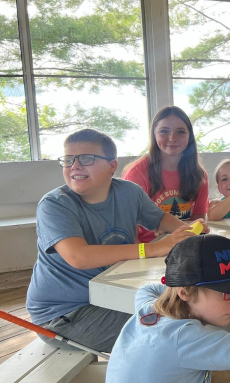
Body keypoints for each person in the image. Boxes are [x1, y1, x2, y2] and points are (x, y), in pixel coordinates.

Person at [26, 129, 206, 353]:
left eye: (86, 158)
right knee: (174, 332)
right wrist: (155, 248)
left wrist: (190, 231)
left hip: (113, 295)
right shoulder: (55, 204)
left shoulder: (128, 192)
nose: (75, 166)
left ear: (112, 166)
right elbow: (78, 257)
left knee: (193, 306)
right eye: (68, 160)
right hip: (65, 314)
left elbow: (159, 219)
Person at [106, 234, 230, 382]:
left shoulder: (149, 310)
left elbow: (146, 289)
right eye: (227, 292)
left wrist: (178, 288)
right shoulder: (188, 339)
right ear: (185, 294)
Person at [123, 106, 209, 243]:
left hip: (185, 245)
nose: (172, 138)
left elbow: (198, 221)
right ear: (154, 135)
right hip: (150, 249)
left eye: (180, 132)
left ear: (189, 136)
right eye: (164, 131)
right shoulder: (137, 173)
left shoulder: (199, 175)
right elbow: (129, 229)